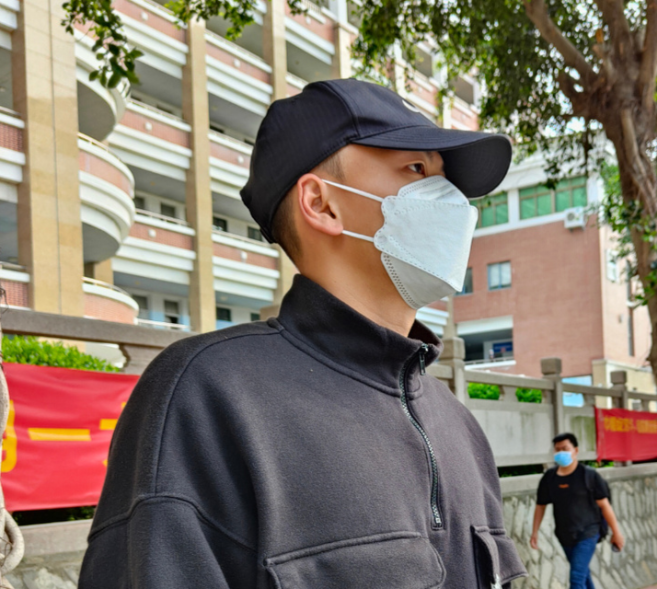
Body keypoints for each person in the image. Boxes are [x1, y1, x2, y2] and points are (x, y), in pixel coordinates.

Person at [79, 79, 527, 588]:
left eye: (446, 179)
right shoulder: (207, 396)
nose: (451, 201)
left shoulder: (460, 426)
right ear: (321, 203)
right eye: (417, 169)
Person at [529, 433, 624, 589]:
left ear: (576, 450)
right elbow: (541, 505)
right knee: (583, 576)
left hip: (588, 532)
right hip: (564, 534)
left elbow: (605, 505)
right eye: (557, 449)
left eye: (565, 448)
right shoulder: (549, 478)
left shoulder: (589, 475)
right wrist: (535, 532)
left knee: (576, 577)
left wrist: (616, 533)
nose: (561, 452)